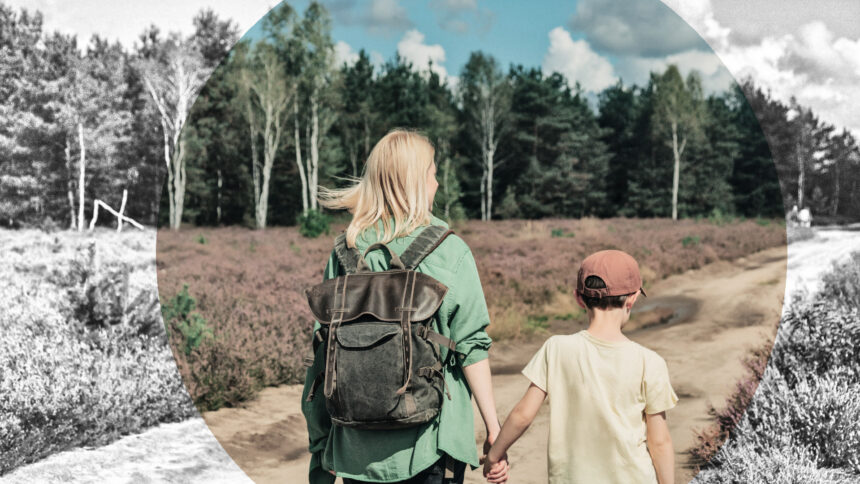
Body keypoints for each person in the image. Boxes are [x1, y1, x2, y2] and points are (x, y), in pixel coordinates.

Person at [302, 128, 509, 484]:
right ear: (413, 181)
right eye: (432, 172)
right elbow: (472, 347)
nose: (437, 183)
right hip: (429, 445)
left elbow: (325, 354)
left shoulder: (346, 251)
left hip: (356, 449)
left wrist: (322, 445)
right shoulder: (449, 249)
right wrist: (494, 432)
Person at [483, 250, 678, 484]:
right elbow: (659, 442)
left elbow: (523, 415)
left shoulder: (556, 348)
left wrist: (494, 456)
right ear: (632, 299)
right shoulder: (650, 362)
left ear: (578, 298)